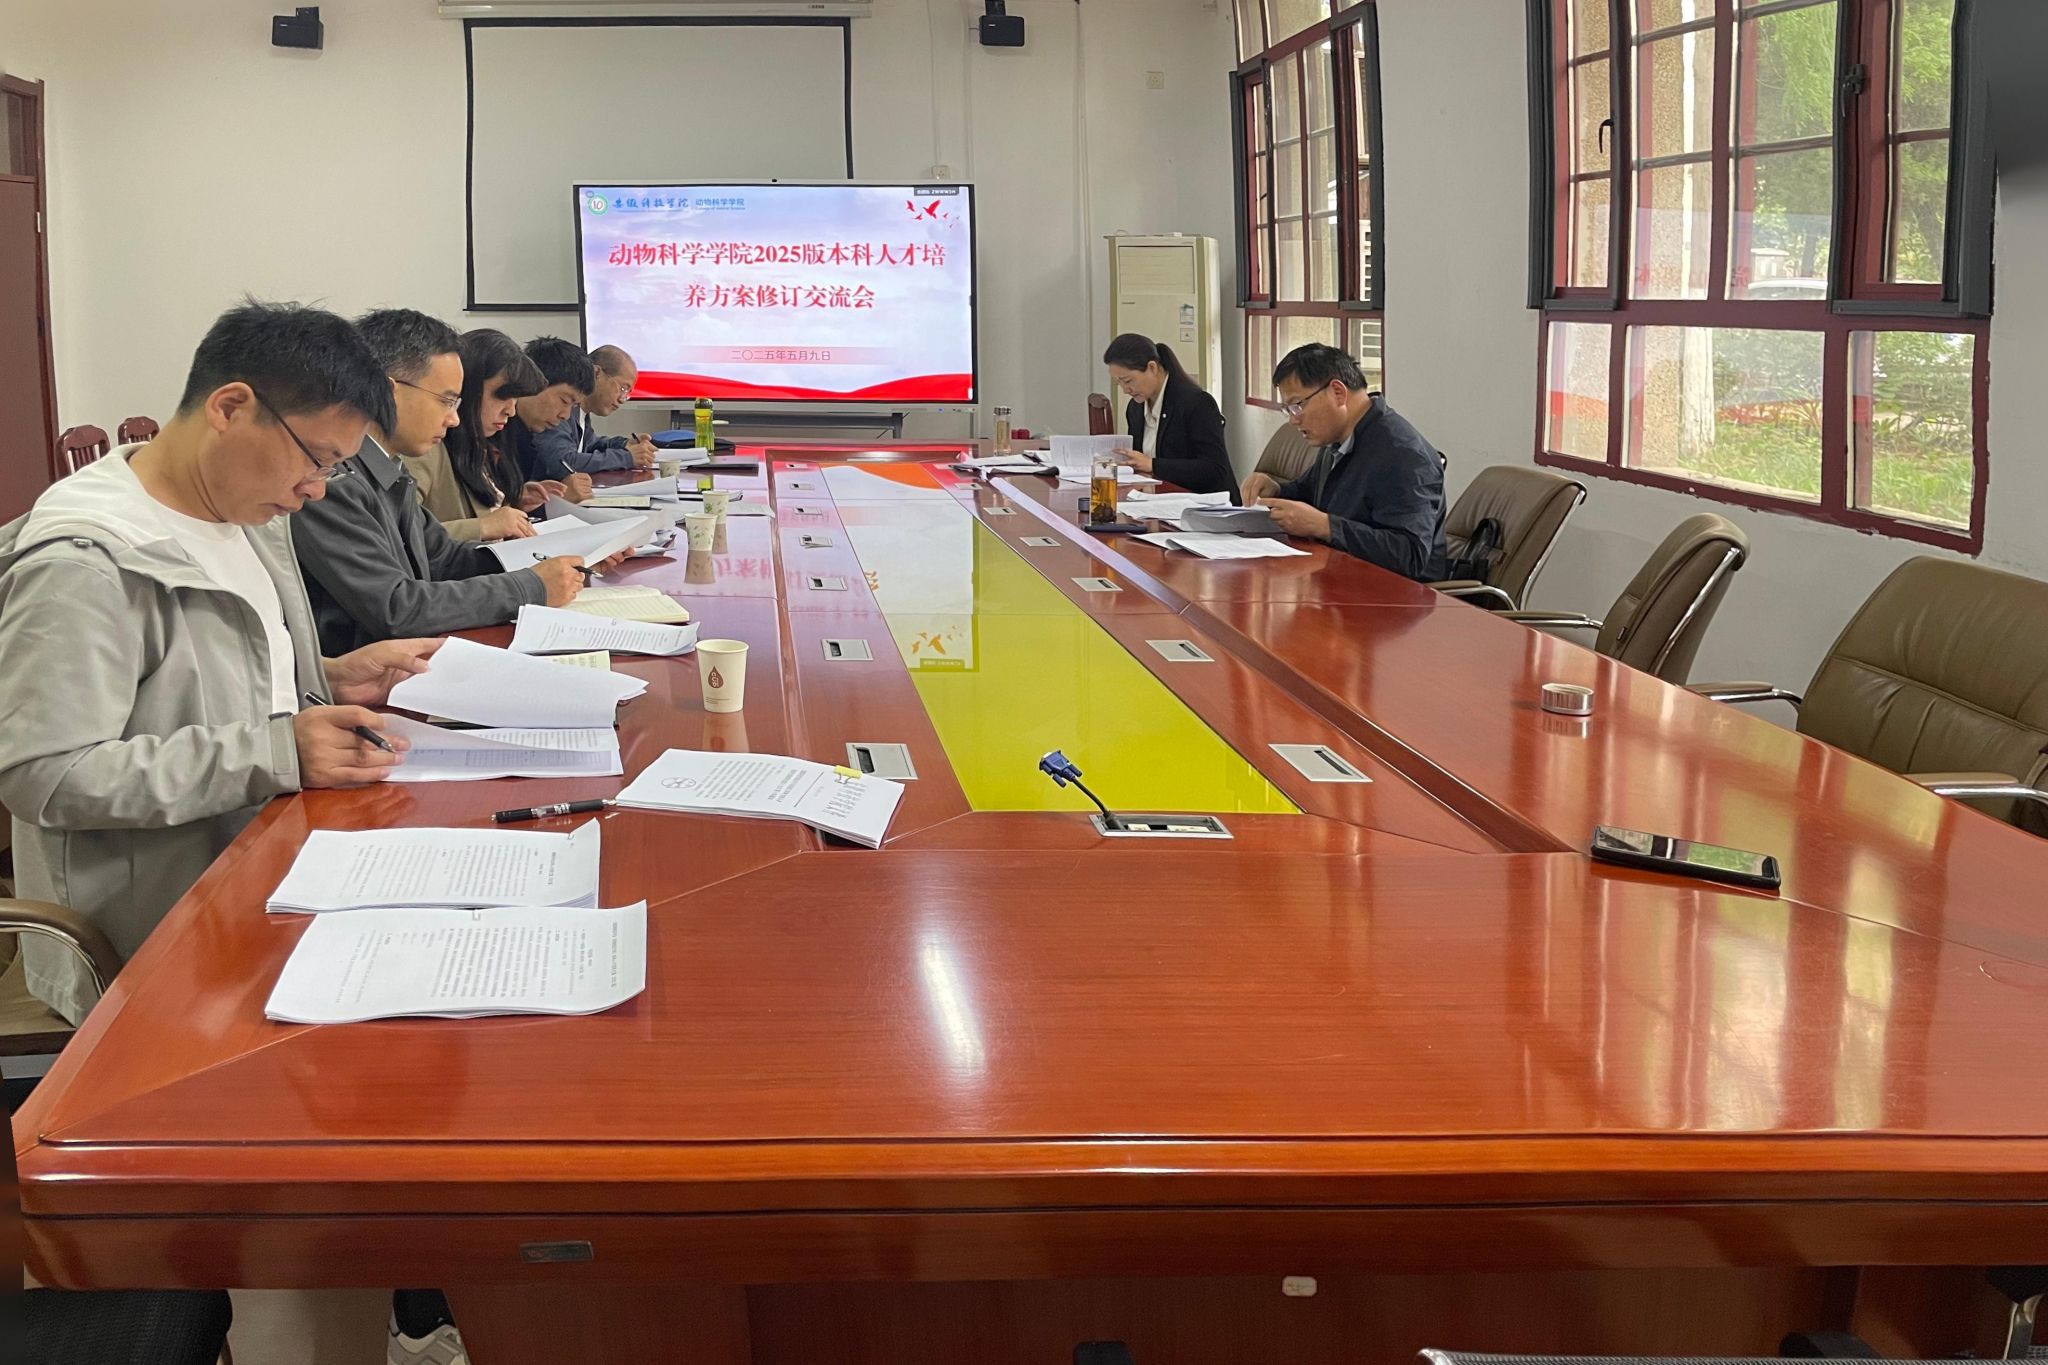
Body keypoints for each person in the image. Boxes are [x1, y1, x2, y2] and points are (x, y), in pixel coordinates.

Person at [0, 300, 438, 1024]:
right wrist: (275, 752)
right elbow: (46, 774)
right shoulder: (85, 563)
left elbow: (197, 679)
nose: (317, 489)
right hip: (156, 938)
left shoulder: (242, 514)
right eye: (317, 458)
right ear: (231, 407)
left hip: (266, 866)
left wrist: (325, 674)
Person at [293, 310, 591, 655]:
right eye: (447, 401)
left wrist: (559, 563)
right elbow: (397, 608)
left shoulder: (390, 470)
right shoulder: (332, 484)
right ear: (388, 391)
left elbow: (445, 558)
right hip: (374, 675)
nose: (454, 419)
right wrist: (530, 587)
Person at [1241, 344, 1448, 581]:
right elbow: (1311, 494)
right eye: (1288, 409)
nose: (1293, 420)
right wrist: (1276, 489)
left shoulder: (1405, 456)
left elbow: (1410, 555)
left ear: (1337, 392)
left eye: (1298, 405)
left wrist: (1326, 527)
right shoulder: (1339, 438)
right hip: (1338, 577)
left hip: (1394, 595)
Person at [402, 329, 562, 544]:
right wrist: (483, 527)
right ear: (466, 389)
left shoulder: (485, 445)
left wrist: (513, 503)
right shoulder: (424, 448)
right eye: (502, 396)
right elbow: (401, 536)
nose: (511, 411)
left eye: (515, 399)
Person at [1103, 333, 1235, 495]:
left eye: (1128, 381)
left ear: (1152, 368)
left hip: (1203, 501)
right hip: (1160, 498)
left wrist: (1153, 465)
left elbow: (1214, 469)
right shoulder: (1135, 408)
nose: (1125, 390)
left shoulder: (1196, 403)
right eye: (1119, 383)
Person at [535, 343, 658, 474]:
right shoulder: (562, 410)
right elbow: (563, 461)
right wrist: (626, 458)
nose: (622, 399)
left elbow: (589, 445)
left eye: (627, 393)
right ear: (596, 373)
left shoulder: (582, 413)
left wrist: (624, 444)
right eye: (623, 388)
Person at [503, 336, 598, 489]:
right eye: (565, 400)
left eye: (574, 406)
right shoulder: (495, 432)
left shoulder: (528, 433)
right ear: (535, 380)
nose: (566, 415)